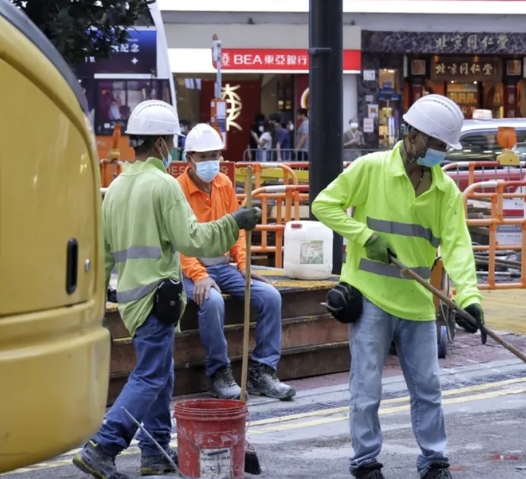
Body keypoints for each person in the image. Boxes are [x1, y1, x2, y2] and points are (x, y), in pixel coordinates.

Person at [73, 101, 262, 479]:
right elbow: (192, 239)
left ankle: (155, 450)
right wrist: (235, 222)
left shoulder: (118, 187)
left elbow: (105, 254)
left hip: (132, 299)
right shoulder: (162, 185)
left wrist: (93, 306)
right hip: (157, 297)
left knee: (161, 374)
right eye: (171, 142)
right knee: (150, 376)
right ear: (161, 144)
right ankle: (104, 446)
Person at [311, 94, 484, 479]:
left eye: (445, 147)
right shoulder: (370, 169)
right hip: (370, 298)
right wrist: (365, 235)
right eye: (437, 145)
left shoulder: (445, 191)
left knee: (428, 388)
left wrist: (470, 299)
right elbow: (324, 204)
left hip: (419, 303)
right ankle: (365, 462)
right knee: (367, 388)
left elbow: (458, 248)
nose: (441, 153)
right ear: (414, 136)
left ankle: (435, 461)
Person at [177, 123, 296, 401]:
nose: (211, 162)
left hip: (223, 267)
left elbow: (237, 231)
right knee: (213, 301)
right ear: (190, 159)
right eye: (204, 157)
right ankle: (220, 373)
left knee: (270, 296)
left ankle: (262, 372)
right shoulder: (177, 189)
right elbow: (179, 241)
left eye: (215, 156)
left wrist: (245, 267)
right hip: (189, 270)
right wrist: (199, 276)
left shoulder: (224, 184)